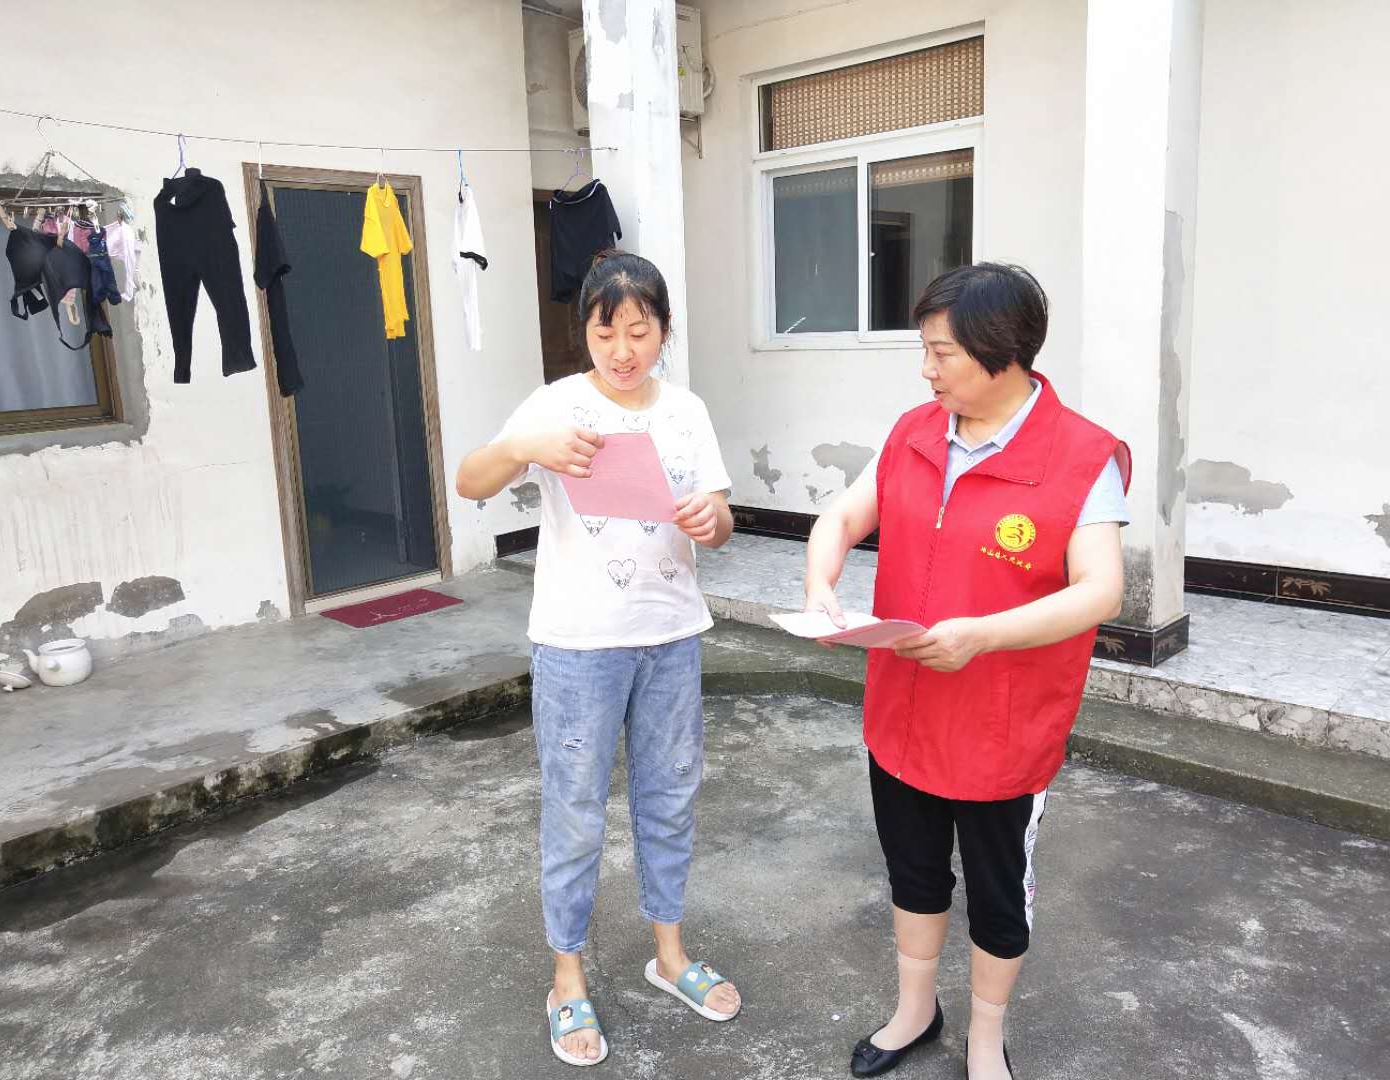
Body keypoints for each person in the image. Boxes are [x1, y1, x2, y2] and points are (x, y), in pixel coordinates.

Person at [802, 263, 1130, 1079]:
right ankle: (915, 1011)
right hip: (903, 711)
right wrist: (820, 585)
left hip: (1001, 728)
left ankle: (986, 1040)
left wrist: (981, 636)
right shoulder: (915, 431)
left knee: (996, 894)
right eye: (925, 350)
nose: (927, 370)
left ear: (1003, 351)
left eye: (942, 352)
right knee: (913, 873)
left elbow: (1101, 590)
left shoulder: (1081, 456)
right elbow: (843, 515)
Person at [455, 250, 742, 1067]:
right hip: (579, 645)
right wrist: (528, 445)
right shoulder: (556, 406)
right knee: (576, 811)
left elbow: (721, 520)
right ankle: (567, 980)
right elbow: (471, 481)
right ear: (583, 329)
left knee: (670, 797)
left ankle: (670, 956)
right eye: (605, 330)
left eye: (639, 331)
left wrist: (711, 520)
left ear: (664, 331)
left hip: (670, 636)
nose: (622, 350)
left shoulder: (685, 410)